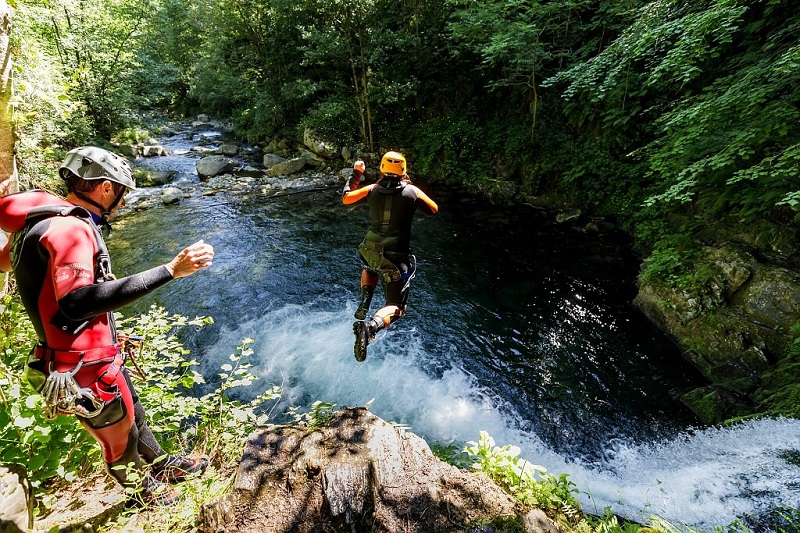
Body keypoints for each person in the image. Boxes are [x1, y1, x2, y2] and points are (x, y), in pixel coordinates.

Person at [0, 146, 214, 506]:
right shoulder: (70, 229)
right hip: (83, 366)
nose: (125, 201)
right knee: (117, 437)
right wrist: (170, 270)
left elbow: (7, 265)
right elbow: (76, 303)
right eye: (122, 191)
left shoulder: (36, 225)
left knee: (134, 417)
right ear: (104, 189)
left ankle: (163, 465)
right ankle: (142, 495)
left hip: (85, 357)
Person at [341, 151, 438, 361]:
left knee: (370, 267)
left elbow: (346, 198)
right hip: (394, 256)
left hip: (369, 248)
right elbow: (433, 209)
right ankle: (369, 327)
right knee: (397, 307)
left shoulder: (372, 189)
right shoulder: (411, 191)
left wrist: (356, 174)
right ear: (403, 170)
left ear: (383, 169)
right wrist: (413, 194)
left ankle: (366, 299)